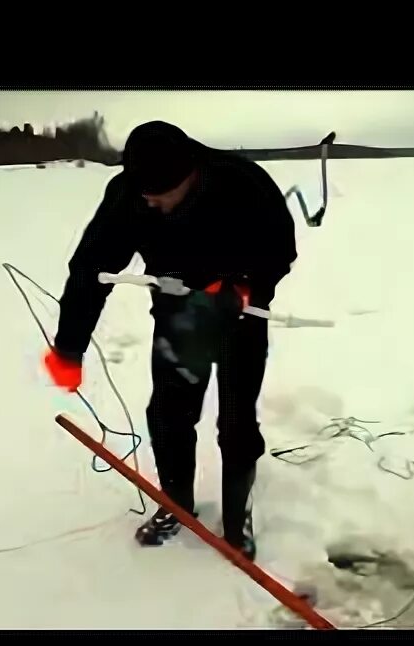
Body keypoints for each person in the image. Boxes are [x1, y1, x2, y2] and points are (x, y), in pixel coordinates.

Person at [43, 121, 297, 561]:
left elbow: (280, 248)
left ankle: (239, 518)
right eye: (144, 193)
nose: (151, 202)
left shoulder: (242, 182)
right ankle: (177, 505)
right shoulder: (130, 194)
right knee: (168, 416)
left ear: (190, 175)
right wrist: (69, 347)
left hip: (240, 317)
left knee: (236, 422)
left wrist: (245, 286)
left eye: (161, 193)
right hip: (178, 316)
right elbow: (90, 268)